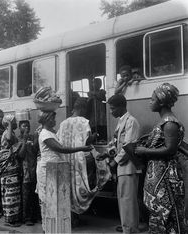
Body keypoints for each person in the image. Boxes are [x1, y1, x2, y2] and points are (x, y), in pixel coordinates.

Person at [135, 83, 186, 234]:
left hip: (165, 174)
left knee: (167, 211)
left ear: (161, 102)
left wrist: (145, 150)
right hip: (159, 172)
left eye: (152, 99)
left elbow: (170, 149)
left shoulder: (169, 123)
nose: (150, 102)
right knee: (159, 211)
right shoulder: (165, 121)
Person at [57, 97, 111, 226]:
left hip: (66, 159)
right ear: (82, 108)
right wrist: (94, 136)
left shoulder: (63, 123)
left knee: (68, 188)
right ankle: (77, 215)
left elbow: (59, 141)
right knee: (80, 186)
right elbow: (87, 142)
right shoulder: (84, 122)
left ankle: (71, 218)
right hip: (80, 160)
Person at [36, 111, 93, 232]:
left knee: (56, 200)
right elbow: (60, 149)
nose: (55, 120)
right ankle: (47, 229)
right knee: (48, 201)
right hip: (47, 170)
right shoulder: (45, 134)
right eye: (52, 118)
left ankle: (55, 229)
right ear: (46, 120)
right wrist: (81, 148)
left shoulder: (51, 132)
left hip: (55, 169)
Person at [106, 94, 141, 233]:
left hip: (129, 167)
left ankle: (131, 230)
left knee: (128, 201)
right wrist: (108, 153)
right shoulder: (121, 122)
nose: (111, 111)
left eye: (113, 108)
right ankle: (128, 227)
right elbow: (117, 144)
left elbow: (128, 147)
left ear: (121, 107)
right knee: (124, 201)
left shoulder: (131, 122)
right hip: (123, 168)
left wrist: (114, 162)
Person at [0, 114, 22, 227]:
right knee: (10, 193)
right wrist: (10, 124)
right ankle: (10, 220)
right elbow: (9, 139)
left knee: (13, 192)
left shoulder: (10, 132)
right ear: (9, 123)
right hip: (8, 167)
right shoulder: (7, 133)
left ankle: (13, 217)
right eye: (14, 122)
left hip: (11, 166)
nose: (16, 123)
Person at [18, 119, 40, 226]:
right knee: (26, 195)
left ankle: (34, 216)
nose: (26, 128)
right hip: (25, 171)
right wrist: (24, 141)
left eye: (27, 126)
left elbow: (36, 150)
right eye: (23, 126)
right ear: (19, 128)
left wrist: (35, 139)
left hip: (33, 169)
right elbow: (20, 155)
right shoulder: (18, 139)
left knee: (34, 194)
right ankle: (26, 218)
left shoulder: (32, 137)